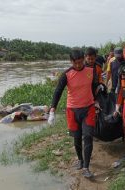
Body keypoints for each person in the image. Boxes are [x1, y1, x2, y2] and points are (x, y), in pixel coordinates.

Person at [48, 49, 102, 178]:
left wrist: (98, 100)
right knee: (77, 138)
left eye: (80, 62)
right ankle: (80, 160)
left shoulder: (91, 71)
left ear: (83, 59)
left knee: (88, 136)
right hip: (72, 110)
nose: (78, 65)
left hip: (88, 108)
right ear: (71, 61)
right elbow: (58, 92)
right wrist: (52, 110)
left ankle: (86, 167)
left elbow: (95, 86)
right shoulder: (66, 74)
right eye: (75, 63)